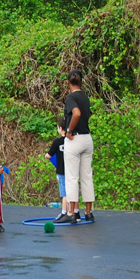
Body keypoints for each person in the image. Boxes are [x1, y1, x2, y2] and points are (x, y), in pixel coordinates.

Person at [55, 70, 95, 224]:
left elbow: (76, 113)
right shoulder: (85, 97)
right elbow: (86, 114)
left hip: (75, 138)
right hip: (87, 138)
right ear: (82, 82)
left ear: (68, 82)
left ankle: (72, 212)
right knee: (87, 176)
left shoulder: (71, 97)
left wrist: (69, 130)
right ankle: (89, 211)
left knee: (72, 176)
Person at [47, 124, 67, 209]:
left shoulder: (57, 142)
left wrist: (46, 155)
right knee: (72, 192)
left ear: (61, 128)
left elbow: (49, 155)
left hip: (61, 170)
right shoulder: (72, 140)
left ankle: (64, 212)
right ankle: (73, 212)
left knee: (64, 194)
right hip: (72, 170)